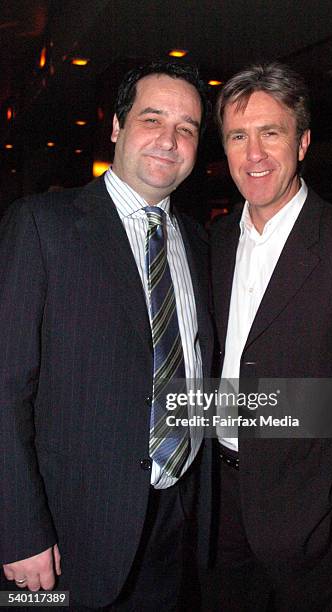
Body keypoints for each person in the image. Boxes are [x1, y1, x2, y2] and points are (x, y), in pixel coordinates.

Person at [0, 61, 213, 611]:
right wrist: (18, 528)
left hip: (174, 521)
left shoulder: (198, 240)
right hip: (65, 536)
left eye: (186, 128)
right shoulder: (42, 224)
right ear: (116, 128)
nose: (169, 139)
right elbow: (5, 388)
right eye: (152, 118)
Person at [208, 62, 332, 611]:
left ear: (303, 142)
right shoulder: (215, 241)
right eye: (238, 136)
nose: (253, 154)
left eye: (271, 133)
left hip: (311, 518)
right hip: (218, 507)